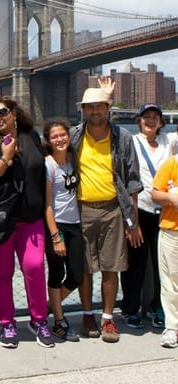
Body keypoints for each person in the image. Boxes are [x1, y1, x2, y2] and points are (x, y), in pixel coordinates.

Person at [0, 96, 54, 349]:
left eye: (3, 112)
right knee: (3, 273)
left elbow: (49, 168)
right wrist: (5, 159)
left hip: (31, 219)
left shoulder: (31, 138)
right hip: (1, 223)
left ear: (14, 113)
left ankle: (39, 320)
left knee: (34, 267)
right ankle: (6, 323)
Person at [70, 87, 143, 343]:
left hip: (113, 208)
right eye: (89, 107)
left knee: (112, 267)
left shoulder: (122, 137)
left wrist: (132, 220)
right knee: (86, 267)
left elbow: (133, 181)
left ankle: (108, 319)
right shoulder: (74, 136)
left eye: (99, 106)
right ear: (83, 110)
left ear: (107, 108)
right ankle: (88, 315)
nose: (95, 111)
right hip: (82, 209)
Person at [122, 103, 177, 329]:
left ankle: (158, 307)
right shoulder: (132, 142)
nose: (150, 121)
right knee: (135, 263)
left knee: (161, 265)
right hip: (139, 211)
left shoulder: (169, 141)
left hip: (164, 213)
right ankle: (130, 309)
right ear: (139, 121)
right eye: (146, 117)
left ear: (161, 122)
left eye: (155, 117)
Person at [42, 120, 83, 342]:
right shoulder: (48, 165)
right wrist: (56, 236)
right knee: (57, 274)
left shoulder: (72, 160)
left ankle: (49, 306)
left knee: (77, 274)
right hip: (56, 225)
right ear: (48, 141)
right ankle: (59, 320)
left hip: (75, 224)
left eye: (63, 135)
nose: (60, 139)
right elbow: (47, 204)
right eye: (54, 136)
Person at [151, 155, 178, 348]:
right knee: (170, 281)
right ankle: (172, 327)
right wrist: (171, 197)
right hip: (171, 231)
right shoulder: (172, 163)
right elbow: (155, 194)